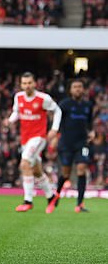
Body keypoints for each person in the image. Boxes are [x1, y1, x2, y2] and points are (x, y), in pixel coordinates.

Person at [6, 72, 62, 213]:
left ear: (35, 83)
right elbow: (16, 112)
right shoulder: (18, 97)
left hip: (38, 137)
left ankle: (28, 201)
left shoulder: (43, 98)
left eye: (29, 83)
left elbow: (57, 111)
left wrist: (54, 129)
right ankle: (51, 197)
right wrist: (10, 120)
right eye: (24, 83)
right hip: (25, 138)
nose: (27, 86)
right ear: (21, 84)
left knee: (24, 164)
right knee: (36, 171)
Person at [46, 79, 94, 213]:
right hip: (66, 143)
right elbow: (57, 122)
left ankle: (80, 204)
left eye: (80, 87)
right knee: (65, 174)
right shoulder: (64, 104)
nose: (78, 89)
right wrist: (55, 137)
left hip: (82, 143)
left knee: (81, 169)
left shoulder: (88, 105)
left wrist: (92, 131)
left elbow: (89, 123)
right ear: (71, 90)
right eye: (75, 87)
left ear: (83, 89)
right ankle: (56, 197)